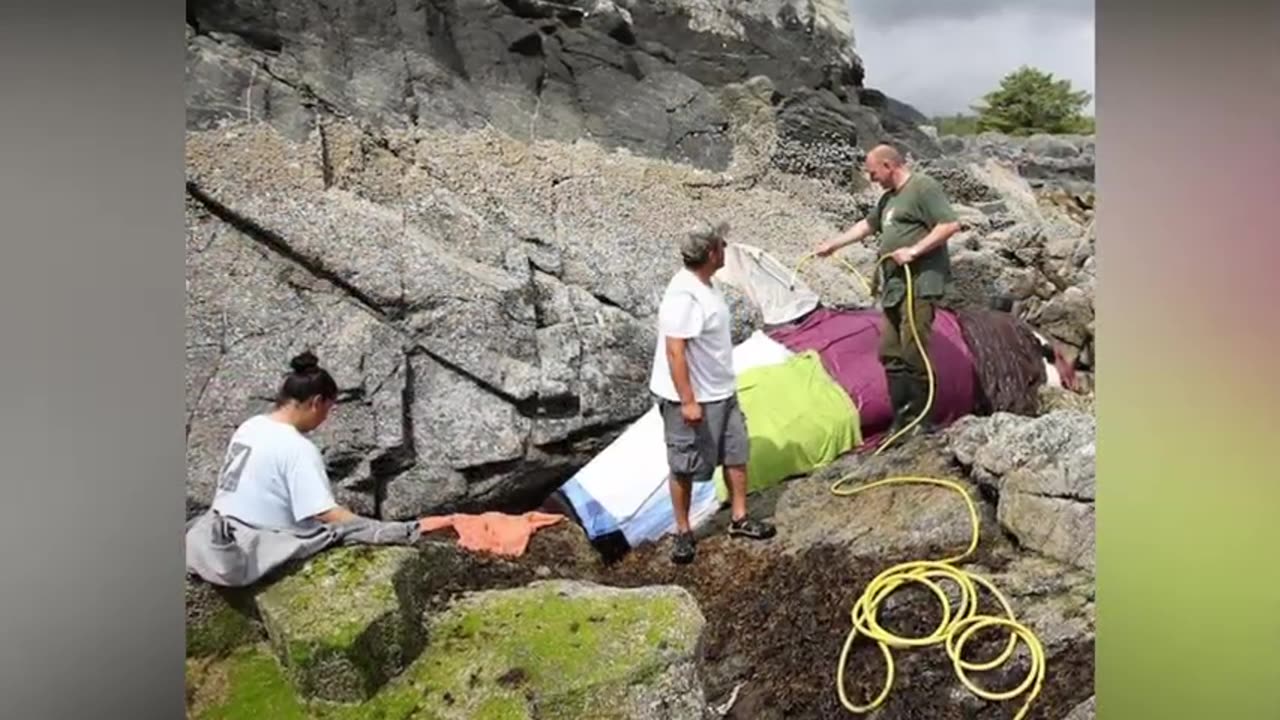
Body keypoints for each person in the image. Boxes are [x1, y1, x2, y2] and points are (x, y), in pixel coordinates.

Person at [186, 351, 429, 587]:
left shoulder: (250, 426)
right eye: (327, 410)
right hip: (255, 542)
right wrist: (376, 527)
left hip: (217, 531)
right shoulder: (298, 447)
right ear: (316, 402)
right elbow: (325, 513)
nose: (325, 419)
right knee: (339, 531)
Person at [649, 221, 776, 565]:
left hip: (721, 388)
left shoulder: (706, 283)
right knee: (684, 463)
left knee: (736, 450)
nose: (725, 247)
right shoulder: (683, 295)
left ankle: (739, 517)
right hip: (690, 397)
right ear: (710, 253)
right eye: (721, 243)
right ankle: (683, 531)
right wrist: (688, 401)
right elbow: (675, 351)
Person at [815, 144, 961, 437]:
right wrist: (834, 244)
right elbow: (867, 226)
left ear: (888, 165)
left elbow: (949, 224)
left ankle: (922, 420)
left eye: (873, 173)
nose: (872, 179)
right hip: (894, 287)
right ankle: (901, 418)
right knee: (890, 351)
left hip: (919, 284)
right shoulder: (888, 200)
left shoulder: (923, 187)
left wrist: (915, 250)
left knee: (913, 347)